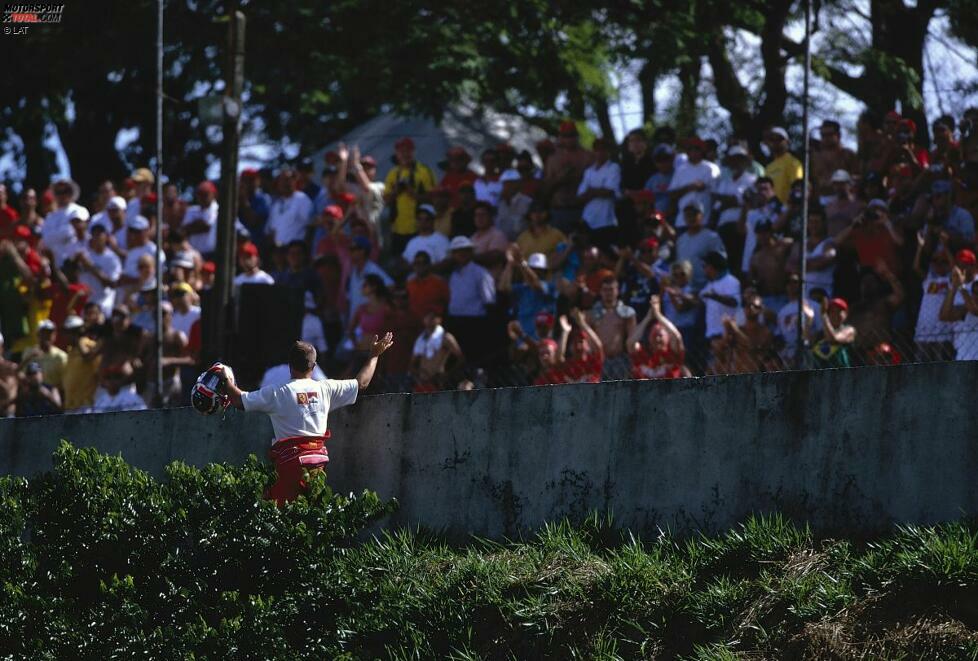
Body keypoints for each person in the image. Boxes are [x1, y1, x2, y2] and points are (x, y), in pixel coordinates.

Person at [222, 335, 394, 505]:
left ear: (290, 366)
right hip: (318, 464)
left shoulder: (277, 392)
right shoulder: (326, 388)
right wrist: (374, 355)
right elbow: (361, 383)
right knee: (310, 515)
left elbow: (239, 401)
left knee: (282, 515)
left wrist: (226, 379)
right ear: (314, 366)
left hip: (290, 464)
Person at [446, 236, 496, 360]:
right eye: (457, 251)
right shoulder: (453, 274)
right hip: (455, 321)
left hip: (474, 323)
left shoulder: (481, 273)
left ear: (470, 252)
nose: (461, 254)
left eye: (465, 250)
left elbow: (489, 301)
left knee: (473, 357)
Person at [384, 137, 436, 255]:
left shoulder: (424, 171)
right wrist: (397, 190)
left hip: (419, 228)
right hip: (398, 229)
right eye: (401, 151)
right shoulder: (393, 174)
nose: (404, 154)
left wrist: (412, 193)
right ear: (397, 154)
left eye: (407, 151)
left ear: (413, 152)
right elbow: (386, 200)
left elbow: (433, 197)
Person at [542, 121, 593, 231]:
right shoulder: (553, 158)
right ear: (560, 137)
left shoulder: (588, 156)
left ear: (577, 136)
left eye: (572, 135)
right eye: (565, 136)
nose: (569, 139)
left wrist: (577, 177)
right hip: (558, 210)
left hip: (581, 209)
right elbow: (546, 188)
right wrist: (560, 180)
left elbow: (593, 182)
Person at [498, 247, 556, 338]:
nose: (534, 272)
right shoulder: (523, 288)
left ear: (544, 272)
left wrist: (521, 262)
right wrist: (510, 264)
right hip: (522, 338)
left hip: (541, 340)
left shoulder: (550, 287)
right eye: (532, 269)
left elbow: (535, 284)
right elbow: (502, 288)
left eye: (538, 270)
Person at [587, 274, 636, 379]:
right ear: (600, 292)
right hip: (599, 360)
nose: (608, 293)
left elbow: (632, 340)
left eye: (611, 289)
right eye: (605, 290)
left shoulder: (627, 313)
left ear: (617, 291)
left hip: (620, 359)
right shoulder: (591, 315)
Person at [626, 295, 685, 380]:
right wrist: (648, 317)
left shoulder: (673, 353)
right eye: (654, 336)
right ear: (649, 338)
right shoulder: (641, 354)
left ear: (668, 337)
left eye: (660, 336)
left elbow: (677, 337)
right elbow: (630, 343)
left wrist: (658, 315)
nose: (657, 339)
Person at [698, 251, 741, 358]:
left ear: (713, 266)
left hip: (728, 335)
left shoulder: (731, 281)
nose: (704, 269)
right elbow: (700, 300)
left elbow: (734, 302)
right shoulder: (710, 284)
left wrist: (714, 296)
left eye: (705, 266)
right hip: (713, 335)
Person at [675, 202, 726, 290]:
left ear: (701, 216)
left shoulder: (711, 237)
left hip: (707, 288)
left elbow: (721, 262)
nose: (691, 218)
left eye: (694, 214)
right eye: (688, 215)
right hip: (686, 289)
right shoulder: (681, 239)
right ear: (684, 217)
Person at [939, 250, 978, 361]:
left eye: (965, 264)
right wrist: (954, 287)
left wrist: (961, 287)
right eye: (959, 264)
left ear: (973, 265)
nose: (962, 267)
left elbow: (975, 310)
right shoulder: (957, 284)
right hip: (962, 353)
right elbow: (944, 316)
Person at [410, 312, 463, 392]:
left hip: (438, 382)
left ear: (439, 320)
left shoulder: (445, 337)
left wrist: (447, 375)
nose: (429, 320)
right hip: (422, 382)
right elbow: (413, 362)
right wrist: (416, 376)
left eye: (432, 318)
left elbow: (461, 358)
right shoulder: (421, 339)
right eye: (427, 317)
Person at [266, 169, 314, 248]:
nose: (285, 183)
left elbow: (311, 225)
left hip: (296, 252)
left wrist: (305, 247)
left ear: (294, 181)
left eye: (288, 179)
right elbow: (271, 230)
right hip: (280, 252)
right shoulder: (276, 204)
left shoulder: (302, 199)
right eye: (281, 180)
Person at [21, 319, 68, 392]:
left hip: (53, 396)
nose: (46, 336)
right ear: (38, 335)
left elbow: (65, 382)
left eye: (49, 333)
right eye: (43, 333)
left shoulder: (61, 356)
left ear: (54, 335)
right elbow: (22, 375)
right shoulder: (29, 352)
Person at [811, 297, 856, 368]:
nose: (835, 314)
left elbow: (833, 339)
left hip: (843, 374)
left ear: (846, 314)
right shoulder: (819, 334)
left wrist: (824, 316)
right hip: (820, 375)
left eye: (839, 311)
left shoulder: (849, 330)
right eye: (832, 311)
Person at [764, 127, 804, 204]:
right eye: (772, 139)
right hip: (771, 212)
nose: (775, 142)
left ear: (787, 142)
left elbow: (797, 189)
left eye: (779, 139)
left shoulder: (793, 163)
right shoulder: (769, 167)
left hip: (787, 210)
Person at [181, 180, 219, 258]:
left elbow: (206, 227)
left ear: (214, 194)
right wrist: (199, 224)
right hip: (192, 253)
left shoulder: (217, 210)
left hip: (210, 254)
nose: (202, 197)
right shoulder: (191, 210)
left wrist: (193, 225)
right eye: (200, 194)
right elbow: (184, 230)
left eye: (205, 194)